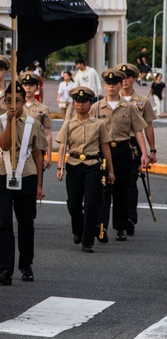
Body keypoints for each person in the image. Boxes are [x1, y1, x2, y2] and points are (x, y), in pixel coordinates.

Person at [0, 84, 46, 285]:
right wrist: (10, 120)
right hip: (2, 173)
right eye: (9, 100)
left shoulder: (33, 123)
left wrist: (39, 184)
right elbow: (3, 144)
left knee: (26, 221)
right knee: (2, 222)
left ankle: (26, 264)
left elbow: (38, 155)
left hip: (26, 174)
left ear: (24, 101)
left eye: (18, 100)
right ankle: (4, 268)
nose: (13, 105)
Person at [93, 68, 149, 242]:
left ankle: (120, 226)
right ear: (104, 86)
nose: (111, 87)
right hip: (102, 151)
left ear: (119, 85)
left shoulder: (129, 107)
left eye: (115, 84)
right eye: (108, 84)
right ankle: (101, 227)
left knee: (121, 190)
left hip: (122, 150)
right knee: (103, 190)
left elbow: (138, 130)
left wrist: (145, 153)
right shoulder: (96, 107)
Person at [55, 86, 113, 252]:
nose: (81, 105)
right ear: (74, 104)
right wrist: (60, 167)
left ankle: (87, 241)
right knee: (73, 204)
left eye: (84, 101)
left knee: (91, 204)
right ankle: (78, 229)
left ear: (90, 103)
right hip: (73, 165)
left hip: (92, 165)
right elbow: (62, 147)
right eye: (78, 102)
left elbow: (105, 148)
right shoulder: (68, 124)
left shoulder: (98, 124)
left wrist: (110, 170)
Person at [118, 63, 157, 235]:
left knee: (131, 182)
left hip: (134, 145)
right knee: (112, 185)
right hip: (114, 144)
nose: (125, 81)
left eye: (128, 77)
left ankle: (129, 218)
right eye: (122, 77)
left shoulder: (142, 101)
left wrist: (152, 150)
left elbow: (148, 126)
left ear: (134, 79)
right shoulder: (110, 100)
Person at [19, 71, 53, 168]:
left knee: (36, 180)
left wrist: (49, 156)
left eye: (31, 85)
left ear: (37, 87)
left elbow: (47, 134)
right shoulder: (15, 106)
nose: (28, 88)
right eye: (25, 85)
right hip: (18, 148)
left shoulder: (43, 108)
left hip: (36, 150)